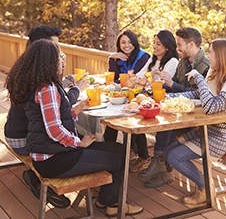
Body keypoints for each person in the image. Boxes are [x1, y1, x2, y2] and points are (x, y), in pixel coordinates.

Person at [5, 39, 143, 217]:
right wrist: (79, 143)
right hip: (54, 160)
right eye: (59, 57)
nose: (62, 60)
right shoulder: (48, 89)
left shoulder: (37, 84)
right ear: (49, 61)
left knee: (118, 149)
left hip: (49, 152)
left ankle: (106, 201)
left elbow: (51, 118)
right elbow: (54, 129)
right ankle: (112, 204)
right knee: (121, 157)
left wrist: (78, 108)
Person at [4, 25, 88, 208]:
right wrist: (76, 89)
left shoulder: (26, 68)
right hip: (23, 138)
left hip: (13, 130)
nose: (60, 52)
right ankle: (40, 179)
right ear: (41, 47)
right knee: (77, 141)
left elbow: (56, 98)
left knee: (73, 137)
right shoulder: (39, 78)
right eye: (55, 48)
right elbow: (59, 105)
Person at [164, 38, 226, 205]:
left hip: (221, 136)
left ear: (222, 56)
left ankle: (205, 188)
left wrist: (198, 78)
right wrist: (166, 98)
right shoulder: (215, 73)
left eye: (211, 53)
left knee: (174, 156)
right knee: (168, 151)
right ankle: (204, 185)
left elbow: (210, 107)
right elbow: (196, 95)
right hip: (205, 130)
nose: (209, 56)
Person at [139, 27, 210, 188]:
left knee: (165, 124)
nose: (177, 48)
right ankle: (162, 168)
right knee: (162, 117)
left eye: (179, 45)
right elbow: (175, 87)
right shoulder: (184, 62)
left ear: (191, 45)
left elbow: (199, 94)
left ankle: (160, 163)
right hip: (183, 111)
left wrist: (172, 84)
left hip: (198, 117)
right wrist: (162, 84)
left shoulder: (206, 67)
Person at [104, 30, 179, 173]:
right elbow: (138, 77)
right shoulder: (153, 60)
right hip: (145, 98)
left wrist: (144, 80)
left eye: (158, 44)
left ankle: (130, 157)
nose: (155, 47)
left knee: (131, 119)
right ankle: (131, 156)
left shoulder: (172, 62)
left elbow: (159, 84)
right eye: (154, 43)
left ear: (167, 47)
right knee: (123, 117)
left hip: (161, 102)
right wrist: (142, 80)